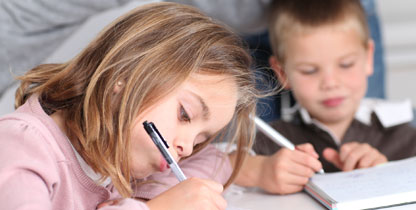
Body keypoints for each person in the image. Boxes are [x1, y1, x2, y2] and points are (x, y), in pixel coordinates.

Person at [0, 2, 259, 210]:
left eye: (202, 138)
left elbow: (209, 162)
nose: (188, 147)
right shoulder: (21, 145)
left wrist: (259, 172)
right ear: (124, 76)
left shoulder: (116, 150)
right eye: (185, 114)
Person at [231, 0, 416, 195]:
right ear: (282, 73)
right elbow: (211, 168)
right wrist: (260, 171)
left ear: (368, 58)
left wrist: (389, 175)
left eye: (346, 65)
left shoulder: (409, 141)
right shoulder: (268, 143)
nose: (330, 83)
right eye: (310, 70)